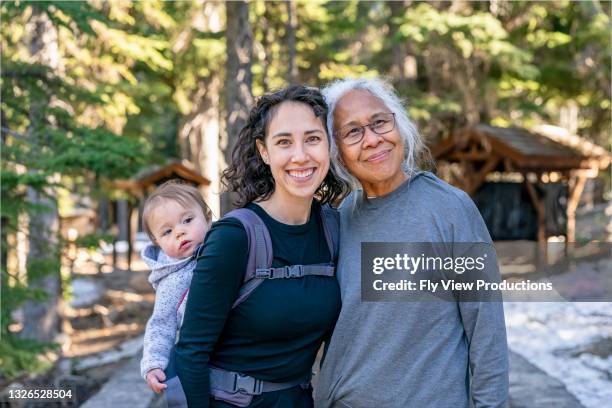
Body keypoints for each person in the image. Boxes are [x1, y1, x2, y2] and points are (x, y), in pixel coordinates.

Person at [313, 77, 509, 408]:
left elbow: (486, 329)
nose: (373, 140)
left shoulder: (451, 209)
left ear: (398, 125)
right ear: (337, 153)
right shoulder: (341, 217)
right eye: (353, 132)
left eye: (379, 123)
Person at [175, 85, 349, 407]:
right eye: (284, 142)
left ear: (329, 146)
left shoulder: (335, 229)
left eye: (312, 138)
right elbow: (191, 352)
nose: (300, 155)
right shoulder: (235, 237)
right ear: (264, 151)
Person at [139, 180, 212, 394]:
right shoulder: (172, 282)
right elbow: (161, 324)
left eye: (187, 220)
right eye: (167, 232)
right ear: (157, 242)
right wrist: (153, 364)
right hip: (204, 357)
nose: (179, 232)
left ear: (207, 218)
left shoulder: (224, 249)